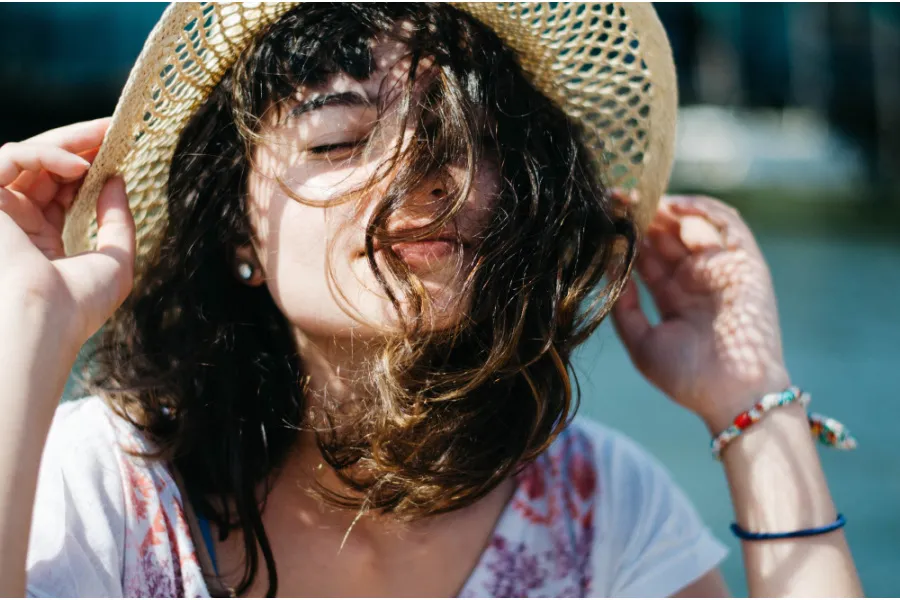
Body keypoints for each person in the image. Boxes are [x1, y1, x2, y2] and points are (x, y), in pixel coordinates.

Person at [0, 3, 861, 597]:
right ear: (238, 231)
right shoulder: (108, 487)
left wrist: (752, 406)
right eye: (338, 139)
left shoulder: (598, 508)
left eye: (463, 136)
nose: (423, 173)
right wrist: (23, 338)